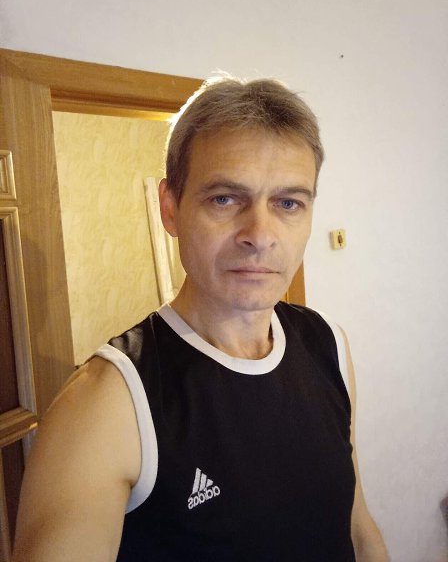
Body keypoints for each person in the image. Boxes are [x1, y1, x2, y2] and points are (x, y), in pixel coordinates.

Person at [13, 77, 389, 561]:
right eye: (225, 199)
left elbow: (357, 526)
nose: (259, 235)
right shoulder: (107, 403)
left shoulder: (327, 343)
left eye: (288, 203)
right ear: (170, 208)